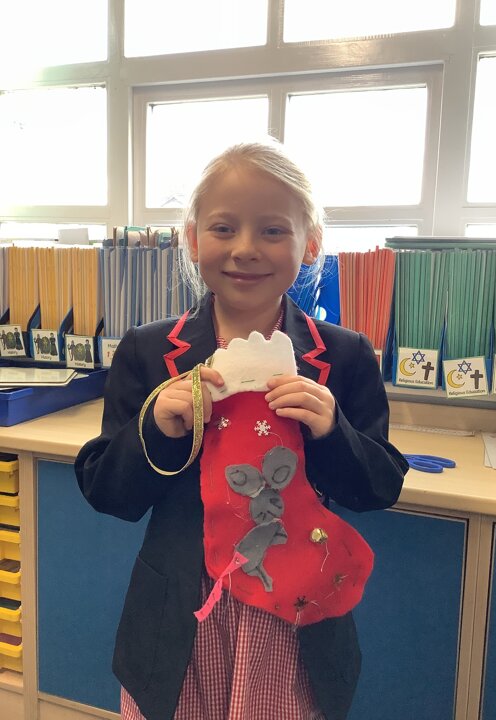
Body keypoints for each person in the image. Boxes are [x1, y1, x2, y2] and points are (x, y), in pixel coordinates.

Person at [75, 139, 408, 720]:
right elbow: (107, 492)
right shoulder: (149, 351)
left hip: (295, 626)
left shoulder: (345, 356)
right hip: (180, 623)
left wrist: (332, 431)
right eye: (224, 228)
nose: (246, 249)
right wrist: (156, 428)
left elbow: (379, 487)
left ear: (310, 243)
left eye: (273, 230)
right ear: (192, 238)